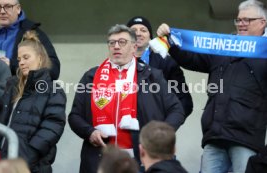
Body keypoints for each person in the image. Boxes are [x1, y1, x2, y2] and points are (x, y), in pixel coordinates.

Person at [156, 0, 267, 172]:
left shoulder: (266, 52)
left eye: (247, 20)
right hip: (215, 135)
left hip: (247, 138)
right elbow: (192, 59)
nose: (241, 24)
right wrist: (170, 40)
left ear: (263, 22)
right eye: (238, 20)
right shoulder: (224, 46)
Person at [68, 24, 185, 173]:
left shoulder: (152, 76)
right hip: (100, 159)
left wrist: (159, 136)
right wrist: (89, 132)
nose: (116, 46)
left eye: (122, 42)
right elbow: (75, 116)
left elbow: (176, 110)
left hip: (140, 159)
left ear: (134, 47)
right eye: (112, 42)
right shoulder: (91, 76)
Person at [0, 30, 66, 173]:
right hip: (1, 162)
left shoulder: (54, 91)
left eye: (26, 57)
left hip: (31, 167)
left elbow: (51, 129)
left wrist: (24, 159)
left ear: (40, 57)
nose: (22, 63)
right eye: (19, 60)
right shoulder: (12, 85)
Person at [127, 16, 193, 117]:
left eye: (143, 30)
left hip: (156, 130)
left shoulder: (166, 63)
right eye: (133, 30)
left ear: (150, 37)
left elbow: (184, 101)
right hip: (121, 130)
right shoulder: (115, 63)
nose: (138, 33)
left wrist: (167, 125)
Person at [0, 0, 60, 80]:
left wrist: (13, 65)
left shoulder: (33, 33)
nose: (2, 11)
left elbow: (54, 70)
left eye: (8, 6)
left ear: (18, 9)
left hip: (21, 90)